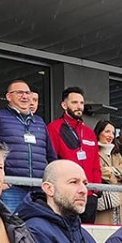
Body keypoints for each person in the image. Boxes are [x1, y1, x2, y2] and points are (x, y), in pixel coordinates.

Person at [0, 79, 55, 212]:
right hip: (11, 187)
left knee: (36, 227)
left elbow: (50, 154)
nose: (25, 96)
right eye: (19, 92)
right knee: (11, 227)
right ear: (9, 97)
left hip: (38, 188)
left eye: (27, 93)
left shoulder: (39, 122)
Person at [47, 86, 101, 222]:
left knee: (87, 235)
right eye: (74, 102)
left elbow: (96, 164)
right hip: (67, 195)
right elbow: (52, 161)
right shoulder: (54, 128)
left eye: (81, 103)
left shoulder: (89, 132)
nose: (79, 106)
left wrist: (95, 191)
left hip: (89, 195)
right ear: (64, 105)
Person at [95, 119, 122, 225]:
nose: (110, 135)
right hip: (105, 203)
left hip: (121, 203)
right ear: (99, 133)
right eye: (107, 131)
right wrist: (119, 174)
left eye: (113, 133)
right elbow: (100, 172)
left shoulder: (116, 154)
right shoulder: (93, 152)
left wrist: (112, 171)